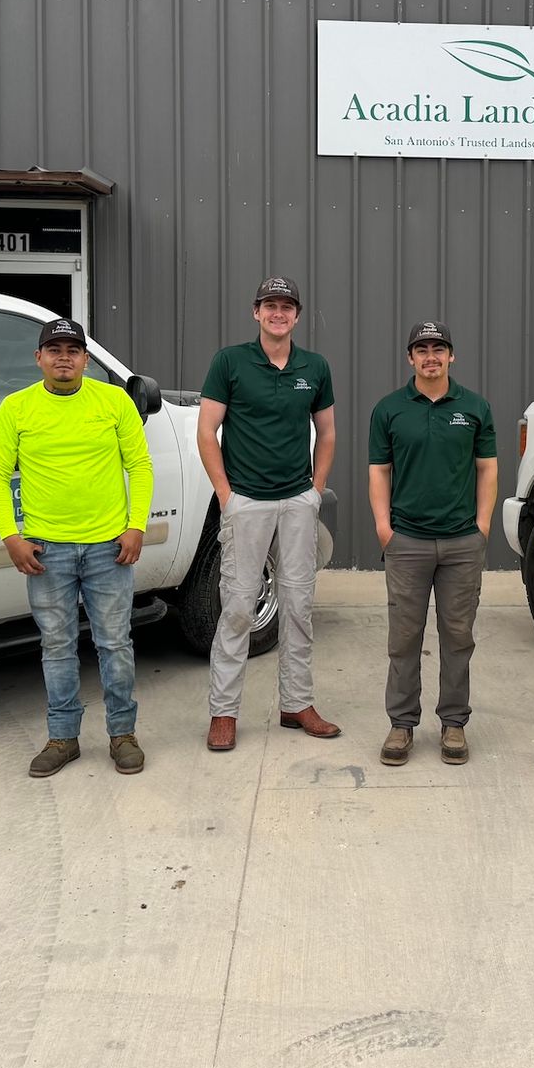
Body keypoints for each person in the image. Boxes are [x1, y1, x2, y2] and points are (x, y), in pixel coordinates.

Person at [0, 316, 154, 779]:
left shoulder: (113, 400)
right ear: (38, 357)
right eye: (54, 350)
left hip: (108, 548)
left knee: (115, 644)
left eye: (73, 350)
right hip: (47, 551)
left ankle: (123, 734)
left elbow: (139, 465)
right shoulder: (16, 409)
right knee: (57, 646)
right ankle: (63, 738)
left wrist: (135, 526)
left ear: (85, 359)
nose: (64, 357)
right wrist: (11, 537)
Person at [197, 276, 340, 751]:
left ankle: (297, 703)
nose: (278, 313)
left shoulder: (314, 367)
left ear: (297, 316)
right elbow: (206, 431)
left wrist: (315, 491)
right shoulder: (230, 362)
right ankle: (224, 712)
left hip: (297, 501)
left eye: (287, 306)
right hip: (248, 502)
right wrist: (226, 495)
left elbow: (328, 433)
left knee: (298, 606)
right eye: (270, 305)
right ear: (256, 312)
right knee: (238, 607)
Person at [368, 321, 497, 767]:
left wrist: (481, 528)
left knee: (458, 637)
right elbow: (379, 472)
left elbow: (487, 469)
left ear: (451, 356)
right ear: (410, 358)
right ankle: (402, 724)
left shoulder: (475, 408)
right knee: (404, 638)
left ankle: (454, 722)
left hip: (462, 543)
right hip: (407, 542)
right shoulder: (389, 410)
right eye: (421, 349)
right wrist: (386, 529)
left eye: (438, 348)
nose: (430, 356)